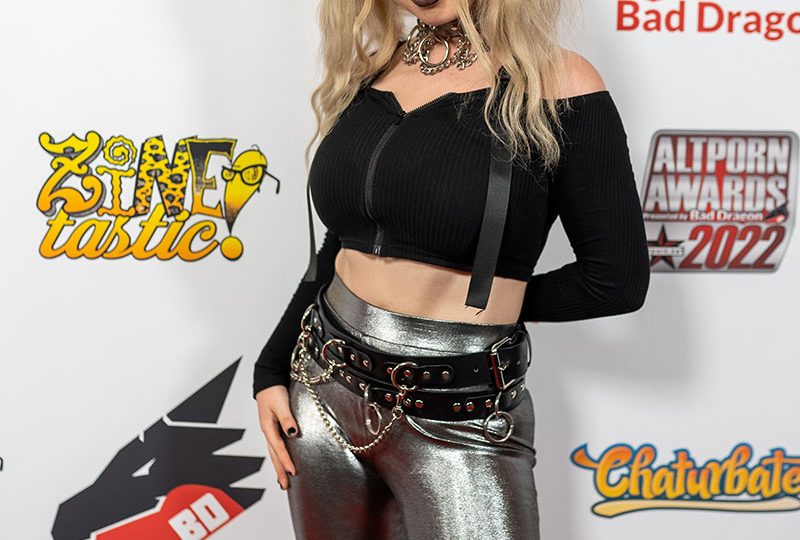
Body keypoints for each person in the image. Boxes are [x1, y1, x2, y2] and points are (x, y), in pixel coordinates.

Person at [253, 0, 651, 538]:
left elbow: (615, 281)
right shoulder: (375, 69)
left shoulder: (559, 84)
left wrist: (478, 310)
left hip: (461, 413)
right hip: (322, 393)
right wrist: (270, 369)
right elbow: (340, 245)